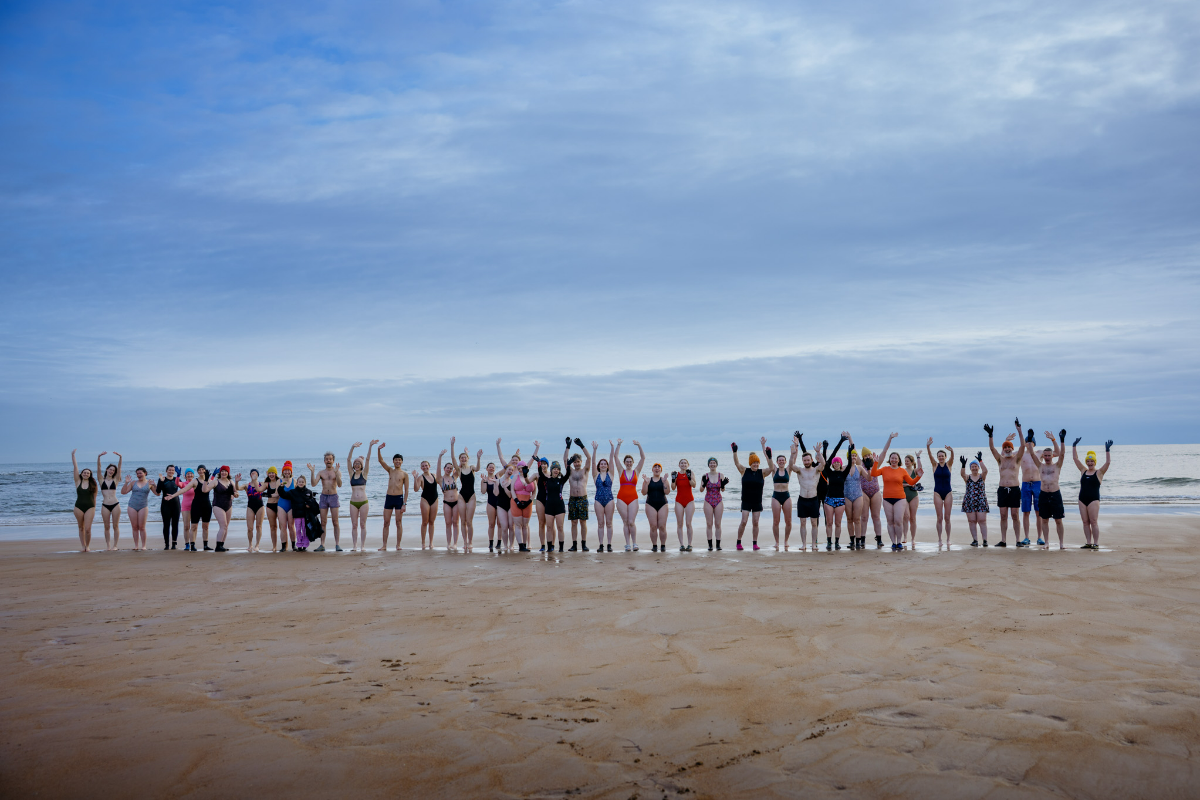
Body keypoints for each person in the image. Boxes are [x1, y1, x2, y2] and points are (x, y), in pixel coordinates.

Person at [871, 434, 922, 550]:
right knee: (890, 522)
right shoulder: (884, 469)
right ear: (890, 460)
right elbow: (873, 474)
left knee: (898, 521)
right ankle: (893, 542)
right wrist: (875, 462)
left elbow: (912, 481)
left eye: (896, 458)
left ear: (899, 460)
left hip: (900, 498)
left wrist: (919, 476)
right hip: (887, 498)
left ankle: (899, 541)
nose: (894, 460)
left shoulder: (902, 471)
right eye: (892, 458)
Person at [986, 418, 1028, 547]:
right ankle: (1003, 540)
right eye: (1006, 447)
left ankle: (1018, 540)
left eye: (1009, 447)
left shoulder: (1017, 459)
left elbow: (1022, 446)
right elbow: (992, 448)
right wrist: (991, 435)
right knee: (1003, 515)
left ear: (1012, 449)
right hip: (1003, 490)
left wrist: (1019, 430)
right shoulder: (1000, 460)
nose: (1008, 449)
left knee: (1015, 515)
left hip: (1015, 489)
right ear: (1003, 449)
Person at [1073, 438, 1113, 549]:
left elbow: (1108, 463)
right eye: (1088, 461)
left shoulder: (1099, 472)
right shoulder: (1083, 471)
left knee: (1093, 521)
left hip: (1093, 500)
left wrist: (1107, 450)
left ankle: (1096, 543)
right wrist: (1074, 446)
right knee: (1085, 522)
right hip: (1082, 499)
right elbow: (1075, 458)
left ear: (1095, 462)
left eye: (1092, 461)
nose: (1090, 463)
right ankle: (1088, 542)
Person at [731, 440, 767, 550]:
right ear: (750, 463)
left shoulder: (762, 472)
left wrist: (767, 454)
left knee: (755, 522)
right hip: (746, 501)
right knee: (744, 521)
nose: (755, 464)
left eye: (757, 462)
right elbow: (737, 463)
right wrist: (735, 452)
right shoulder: (744, 471)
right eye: (753, 462)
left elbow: (771, 468)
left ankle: (755, 543)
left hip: (757, 502)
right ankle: (738, 542)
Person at [1036, 430, 1069, 549]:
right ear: (1043, 456)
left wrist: (1060, 440)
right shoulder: (1040, 466)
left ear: (1052, 456)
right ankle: (1046, 542)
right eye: (1045, 455)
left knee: (1058, 520)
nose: (1047, 457)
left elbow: (1063, 454)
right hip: (1044, 494)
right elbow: (1030, 452)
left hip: (1055, 494)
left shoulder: (1057, 465)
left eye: (1049, 455)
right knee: (1044, 520)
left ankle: (1061, 543)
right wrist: (1029, 440)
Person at [793, 434, 825, 550]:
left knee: (814, 523)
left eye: (808, 460)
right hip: (802, 500)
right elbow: (791, 465)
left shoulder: (816, 470)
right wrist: (794, 451)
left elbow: (823, 464)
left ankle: (814, 544)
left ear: (811, 460)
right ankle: (804, 544)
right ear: (803, 461)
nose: (806, 462)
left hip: (813, 500)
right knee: (802, 523)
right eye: (804, 460)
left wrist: (819, 452)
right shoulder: (800, 471)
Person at [614, 439, 645, 551]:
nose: (628, 463)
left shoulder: (636, 471)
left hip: (633, 498)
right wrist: (619, 444)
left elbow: (643, 458)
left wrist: (639, 445)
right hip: (621, 498)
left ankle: (635, 543)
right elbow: (615, 457)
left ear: (632, 462)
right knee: (626, 522)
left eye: (630, 461)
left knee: (631, 522)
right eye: (627, 461)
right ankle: (627, 544)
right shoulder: (620, 470)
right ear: (624, 462)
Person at [307, 452, 343, 552]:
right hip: (323, 497)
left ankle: (337, 544)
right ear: (324, 461)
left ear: (333, 461)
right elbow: (313, 484)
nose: (328, 461)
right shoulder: (321, 472)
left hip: (333, 497)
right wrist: (312, 472)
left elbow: (339, 485)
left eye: (330, 459)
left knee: (335, 521)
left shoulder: (337, 472)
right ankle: (322, 544)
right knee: (323, 522)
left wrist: (336, 473)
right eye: (327, 459)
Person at [821, 434, 851, 550]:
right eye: (835, 462)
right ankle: (829, 542)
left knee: (838, 523)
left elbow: (850, 462)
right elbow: (824, 461)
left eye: (838, 462)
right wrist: (824, 449)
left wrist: (849, 448)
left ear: (841, 463)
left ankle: (837, 542)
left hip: (840, 500)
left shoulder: (844, 473)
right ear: (833, 464)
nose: (836, 463)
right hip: (829, 500)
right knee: (829, 523)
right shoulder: (829, 472)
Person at [376, 445, 409, 551]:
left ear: (402, 462)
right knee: (386, 522)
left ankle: (398, 545)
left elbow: (407, 490)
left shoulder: (404, 474)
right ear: (393, 461)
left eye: (399, 460)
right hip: (389, 498)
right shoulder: (390, 470)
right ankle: (384, 545)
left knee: (398, 522)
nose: (397, 462)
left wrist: (404, 504)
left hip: (399, 499)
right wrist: (379, 449)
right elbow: (381, 461)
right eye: (396, 460)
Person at [764, 438, 795, 549]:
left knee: (788, 521)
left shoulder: (788, 470)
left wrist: (796, 446)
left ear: (785, 462)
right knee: (776, 521)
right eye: (779, 460)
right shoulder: (774, 470)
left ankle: (786, 541)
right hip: (776, 496)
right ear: (777, 462)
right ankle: (777, 542)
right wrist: (764, 445)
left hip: (786, 496)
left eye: (783, 460)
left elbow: (793, 457)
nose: (781, 461)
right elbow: (767, 457)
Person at [453, 438, 483, 549]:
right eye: (461, 458)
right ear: (459, 460)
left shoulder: (472, 468)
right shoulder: (459, 470)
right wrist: (452, 445)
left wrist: (478, 458)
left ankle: (470, 542)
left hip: (471, 496)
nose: (463, 459)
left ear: (467, 458)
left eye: (465, 457)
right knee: (463, 521)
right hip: (461, 496)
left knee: (469, 521)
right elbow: (452, 458)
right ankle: (465, 542)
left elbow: (478, 468)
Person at [925, 439, 955, 546]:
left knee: (947, 518)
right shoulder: (935, 465)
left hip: (948, 492)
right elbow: (930, 456)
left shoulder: (949, 465)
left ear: (945, 457)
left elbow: (952, 457)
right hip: (937, 492)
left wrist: (952, 451)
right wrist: (928, 447)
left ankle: (948, 539)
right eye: (939, 456)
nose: (941, 457)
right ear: (937, 457)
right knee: (939, 518)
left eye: (943, 456)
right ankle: (939, 539)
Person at [346, 441, 375, 552]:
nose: (357, 464)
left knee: (362, 524)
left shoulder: (364, 474)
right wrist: (352, 447)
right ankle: (355, 546)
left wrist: (370, 446)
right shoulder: (351, 474)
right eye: (355, 463)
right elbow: (348, 460)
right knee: (354, 525)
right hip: (353, 502)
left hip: (364, 502)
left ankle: (362, 546)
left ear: (362, 465)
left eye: (359, 463)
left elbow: (367, 459)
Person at [539, 456, 571, 553]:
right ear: (551, 470)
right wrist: (539, 464)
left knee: (560, 527)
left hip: (559, 506)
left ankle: (561, 548)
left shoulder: (561, 480)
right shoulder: (546, 480)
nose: (556, 471)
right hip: (549, 506)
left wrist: (568, 465)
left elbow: (568, 474)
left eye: (558, 469)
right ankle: (549, 547)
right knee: (549, 527)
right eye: (554, 469)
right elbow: (540, 473)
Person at [503, 462, 536, 552]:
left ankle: (524, 545)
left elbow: (534, 492)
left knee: (525, 525)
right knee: (518, 524)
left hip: (528, 502)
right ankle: (520, 545)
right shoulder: (515, 477)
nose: (521, 469)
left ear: (526, 468)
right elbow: (512, 490)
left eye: (523, 467)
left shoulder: (531, 477)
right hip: (516, 501)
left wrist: (529, 501)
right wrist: (516, 500)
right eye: (519, 468)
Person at [70, 449, 99, 552]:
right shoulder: (77, 481)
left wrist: (94, 508)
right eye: (84, 472)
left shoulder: (94, 485)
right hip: (78, 507)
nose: (85, 474)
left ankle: (88, 546)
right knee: (81, 527)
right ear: (81, 474)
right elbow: (75, 467)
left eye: (88, 473)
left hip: (90, 507)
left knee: (87, 529)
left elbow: (95, 498)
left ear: (90, 475)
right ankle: (83, 546)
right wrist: (73, 455)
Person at [566, 438, 591, 551]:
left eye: (578, 462)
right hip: (572, 499)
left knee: (583, 522)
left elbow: (589, 458)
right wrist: (568, 446)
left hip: (582, 498)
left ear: (581, 462)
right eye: (575, 462)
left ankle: (584, 544)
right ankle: (574, 544)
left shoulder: (584, 470)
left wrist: (582, 446)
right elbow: (564, 459)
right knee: (574, 522)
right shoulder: (570, 471)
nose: (576, 464)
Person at [1019, 427, 1043, 546]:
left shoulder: (1039, 453)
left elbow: (1058, 454)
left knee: (1039, 512)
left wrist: (1054, 439)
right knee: (1026, 512)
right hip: (1025, 484)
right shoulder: (1021, 455)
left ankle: (1039, 537)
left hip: (1038, 484)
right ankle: (1026, 537)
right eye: (1026, 441)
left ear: (1034, 443)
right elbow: (1004, 455)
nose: (1028, 443)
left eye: (1030, 441)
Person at [959, 454, 990, 546]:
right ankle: (975, 540)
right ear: (970, 468)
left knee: (982, 521)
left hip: (981, 501)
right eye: (972, 467)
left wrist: (980, 460)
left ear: (978, 467)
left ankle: (985, 540)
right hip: (969, 501)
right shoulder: (967, 477)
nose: (974, 468)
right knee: (972, 521)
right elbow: (962, 474)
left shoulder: (982, 476)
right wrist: (963, 465)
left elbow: (986, 470)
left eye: (976, 466)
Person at [591, 441, 616, 552]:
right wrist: (595, 450)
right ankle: (601, 545)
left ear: (607, 466)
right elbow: (592, 463)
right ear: (599, 466)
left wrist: (612, 447)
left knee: (609, 523)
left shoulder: (611, 474)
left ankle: (609, 545)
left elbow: (611, 459)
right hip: (598, 500)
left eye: (605, 463)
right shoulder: (595, 475)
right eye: (601, 463)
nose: (603, 465)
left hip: (609, 499)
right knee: (600, 523)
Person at [121, 467, 153, 551]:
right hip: (132, 506)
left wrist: (154, 485)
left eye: (140, 473)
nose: (139, 475)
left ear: (145, 473)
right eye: (137, 473)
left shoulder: (149, 483)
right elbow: (123, 492)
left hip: (143, 506)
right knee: (134, 527)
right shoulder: (133, 483)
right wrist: (126, 483)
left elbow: (158, 493)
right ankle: (136, 545)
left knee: (142, 527)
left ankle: (143, 546)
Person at [210, 466, 241, 552]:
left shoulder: (231, 482)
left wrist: (236, 494)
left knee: (226, 526)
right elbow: (205, 489)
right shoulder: (216, 482)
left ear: (228, 473)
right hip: (218, 505)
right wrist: (206, 480)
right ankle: (218, 546)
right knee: (223, 526)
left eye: (225, 471)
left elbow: (236, 492)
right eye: (222, 471)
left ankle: (222, 545)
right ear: (220, 473)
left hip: (228, 506)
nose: (224, 473)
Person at [640, 463, 670, 552]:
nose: (657, 468)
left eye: (659, 467)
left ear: (661, 470)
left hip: (663, 504)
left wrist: (664, 482)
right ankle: (654, 545)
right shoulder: (648, 480)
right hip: (650, 504)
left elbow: (667, 492)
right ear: (652, 470)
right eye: (655, 467)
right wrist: (646, 483)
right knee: (653, 526)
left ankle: (663, 545)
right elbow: (644, 493)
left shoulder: (664, 480)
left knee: (662, 526)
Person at [480, 462, 509, 552]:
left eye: (493, 467)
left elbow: (506, 468)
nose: (491, 469)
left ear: (495, 469)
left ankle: (499, 543)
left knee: (500, 524)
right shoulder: (484, 479)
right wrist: (484, 481)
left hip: (500, 503)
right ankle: (491, 543)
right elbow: (483, 491)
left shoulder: (497, 476)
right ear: (487, 469)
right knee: (491, 524)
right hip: (490, 503)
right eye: (490, 467)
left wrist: (514, 459)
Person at [701, 457, 728, 550]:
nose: (712, 464)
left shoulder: (721, 475)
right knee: (709, 524)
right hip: (708, 500)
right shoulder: (705, 475)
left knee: (718, 524)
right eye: (711, 463)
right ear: (708, 465)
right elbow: (701, 490)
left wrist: (723, 485)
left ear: (716, 464)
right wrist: (704, 484)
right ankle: (710, 545)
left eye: (714, 463)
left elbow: (723, 490)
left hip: (718, 500)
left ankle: (718, 544)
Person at [437, 449, 462, 550]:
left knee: (455, 522)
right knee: (448, 523)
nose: (449, 470)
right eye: (447, 468)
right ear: (444, 468)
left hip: (456, 502)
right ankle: (448, 543)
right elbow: (438, 468)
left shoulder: (454, 477)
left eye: (451, 468)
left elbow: (459, 466)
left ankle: (455, 543)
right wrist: (440, 456)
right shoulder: (440, 479)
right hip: (447, 503)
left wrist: (465, 455)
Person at [858, 447, 883, 546]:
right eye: (865, 455)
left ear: (872, 455)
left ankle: (879, 539)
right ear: (863, 457)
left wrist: (890, 438)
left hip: (876, 491)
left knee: (876, 516)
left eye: (868, 455)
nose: (867, 457)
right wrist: (849, 438)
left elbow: (884, 452)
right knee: (864, 517)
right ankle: (862, 539)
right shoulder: (860, 465)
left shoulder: (876, 464)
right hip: (863, 492)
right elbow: (854, 450)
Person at [97, 452, 122, 550]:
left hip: (115, 504)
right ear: (107, 469)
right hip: (105, 505)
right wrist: (99, 457)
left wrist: (120, 457)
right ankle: (108, 545)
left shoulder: (116, 480)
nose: (111, 471)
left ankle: (115, 545)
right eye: (110, 469)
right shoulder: (101, 480)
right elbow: (98, 468)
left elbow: (119, 468)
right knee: (106, 526)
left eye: (113, 470)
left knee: (115, 526)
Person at [413, 460, 440, 549]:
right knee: (425, 522)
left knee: (432, 522)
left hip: (435, 499)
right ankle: (423, 543)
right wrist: (415, 478)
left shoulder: (434, 475)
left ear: (429, 466)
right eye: (423, 466)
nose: (425, 467)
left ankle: (431, 543)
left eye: (426, 465)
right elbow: (416, 489)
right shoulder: (420, 477)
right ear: (421, 468)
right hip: (425, 500)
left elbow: (442, 482)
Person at [671, 458, 697, 551]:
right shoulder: (676, 474)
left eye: (685, 463)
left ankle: (689, 544)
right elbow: (673, 488)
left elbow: (694, 485)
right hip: (679, 501)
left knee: (688, 523)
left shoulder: (690, 473)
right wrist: (673, 480)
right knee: (679, 524)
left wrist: (689, 477)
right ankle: (681, 545)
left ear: (688, 465)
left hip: (689, 500)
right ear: (679, 465)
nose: (683, 464)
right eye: (681, 463)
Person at [188, 466, 215, 550]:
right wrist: (174, 495)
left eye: (202, 469)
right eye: (199, 470)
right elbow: (184, 489)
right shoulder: (194, 481)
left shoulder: (210, 481)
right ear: (197, 472)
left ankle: (205, 545)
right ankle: (192, 545)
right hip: (196, 505)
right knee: (194, 527)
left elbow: (220, 490)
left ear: (205, 471)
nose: (201, 471)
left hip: (207, 506)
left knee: (206, 526)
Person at [843, 444, 865, 550]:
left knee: (857, 519)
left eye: (855, 456)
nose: (854, 458)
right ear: (848, 457)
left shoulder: (860, 468)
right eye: (852, 456)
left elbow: (869, 478)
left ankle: (858, 541)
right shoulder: (843, 468)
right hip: (846, 495)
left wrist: (870, 467)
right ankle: (851, 540)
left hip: (858, 495)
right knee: (849, 519)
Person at [156, 465, 182, 550]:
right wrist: (161, 481)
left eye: (172, 470)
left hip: (176, 504)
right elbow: (158, 491)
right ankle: (166, 544)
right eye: (169, 470)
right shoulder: (163, 479)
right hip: (165, 505)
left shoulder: (176, 480)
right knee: (166, 525)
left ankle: (174, 544)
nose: (171, 471)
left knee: (175, 524)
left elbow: (184, 488)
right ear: (166, 471)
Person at [240, 469, 265, 552]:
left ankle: (257, 545)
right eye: (252, 473)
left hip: (260, 506)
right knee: (250, 528)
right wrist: (236, 482)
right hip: (250, 506)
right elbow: (237, 488)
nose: (253, 474)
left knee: (259, 526)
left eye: (255, 473)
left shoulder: (262, 484)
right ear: (250, 475)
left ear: (257, 475)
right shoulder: (247, 485)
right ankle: (250, 544)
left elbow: (271, 485)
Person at [903, 453, 922, 546]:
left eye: (908, 461)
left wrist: (918, 457)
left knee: (913, 518)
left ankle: (913, 539)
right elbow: (898, 483)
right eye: (905, 461)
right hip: (904, 496)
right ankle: (905, 537)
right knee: (905, 516)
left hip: (914, 495)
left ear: (911, 462)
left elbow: (920, 468)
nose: (906, 462)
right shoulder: (902, 471)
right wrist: (908, 484)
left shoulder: (914, 471)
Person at [276, 462, 296, 551]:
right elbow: (276, 494)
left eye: (288, 470)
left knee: (291, 526)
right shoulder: (279, 481)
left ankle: (293, 545)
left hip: (291, 506)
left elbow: (298, 494)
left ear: (291, 471)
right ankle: (283, 546)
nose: (287, 472)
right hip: (281, 505)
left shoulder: (294, 481)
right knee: (283, 526)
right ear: (283, 472)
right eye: (285, 470)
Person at [262, 466, 282, 552]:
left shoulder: (280, 481)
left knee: (282, 526)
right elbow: (259, 489)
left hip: (279, 505)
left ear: (275, 473)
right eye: (269, 473)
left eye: (272, 473)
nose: (271, 474)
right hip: (270, 505)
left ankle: (284, 545)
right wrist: (255, 480)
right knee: (273, 527)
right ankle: (274, 546)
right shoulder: (266, 483)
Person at [176, 469, 197, 550]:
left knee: (194, 526)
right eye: (188, 474)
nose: (189, 475)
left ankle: (193, 543)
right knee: (186, 526)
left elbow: (207, 483)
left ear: (193, 475)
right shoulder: (183, 484)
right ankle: (187, 544)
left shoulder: (196, 483)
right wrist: (178, 476)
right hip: (186, 507)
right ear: (185, 476)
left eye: (191, 473)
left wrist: (212, 476)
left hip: (195, 507)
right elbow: (177, 483)